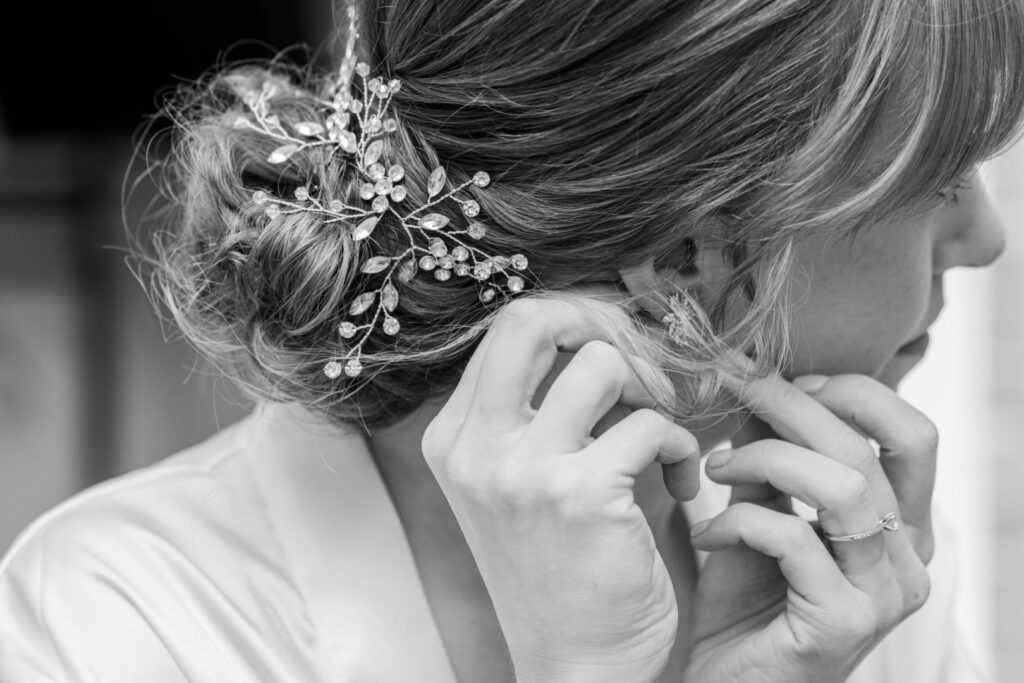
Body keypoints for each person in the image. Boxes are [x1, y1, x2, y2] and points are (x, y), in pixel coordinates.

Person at [1, 0, 1022, 680]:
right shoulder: (120, 617)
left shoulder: (850, 566)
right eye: (939, 184)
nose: (985, 238)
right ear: (680, 263)